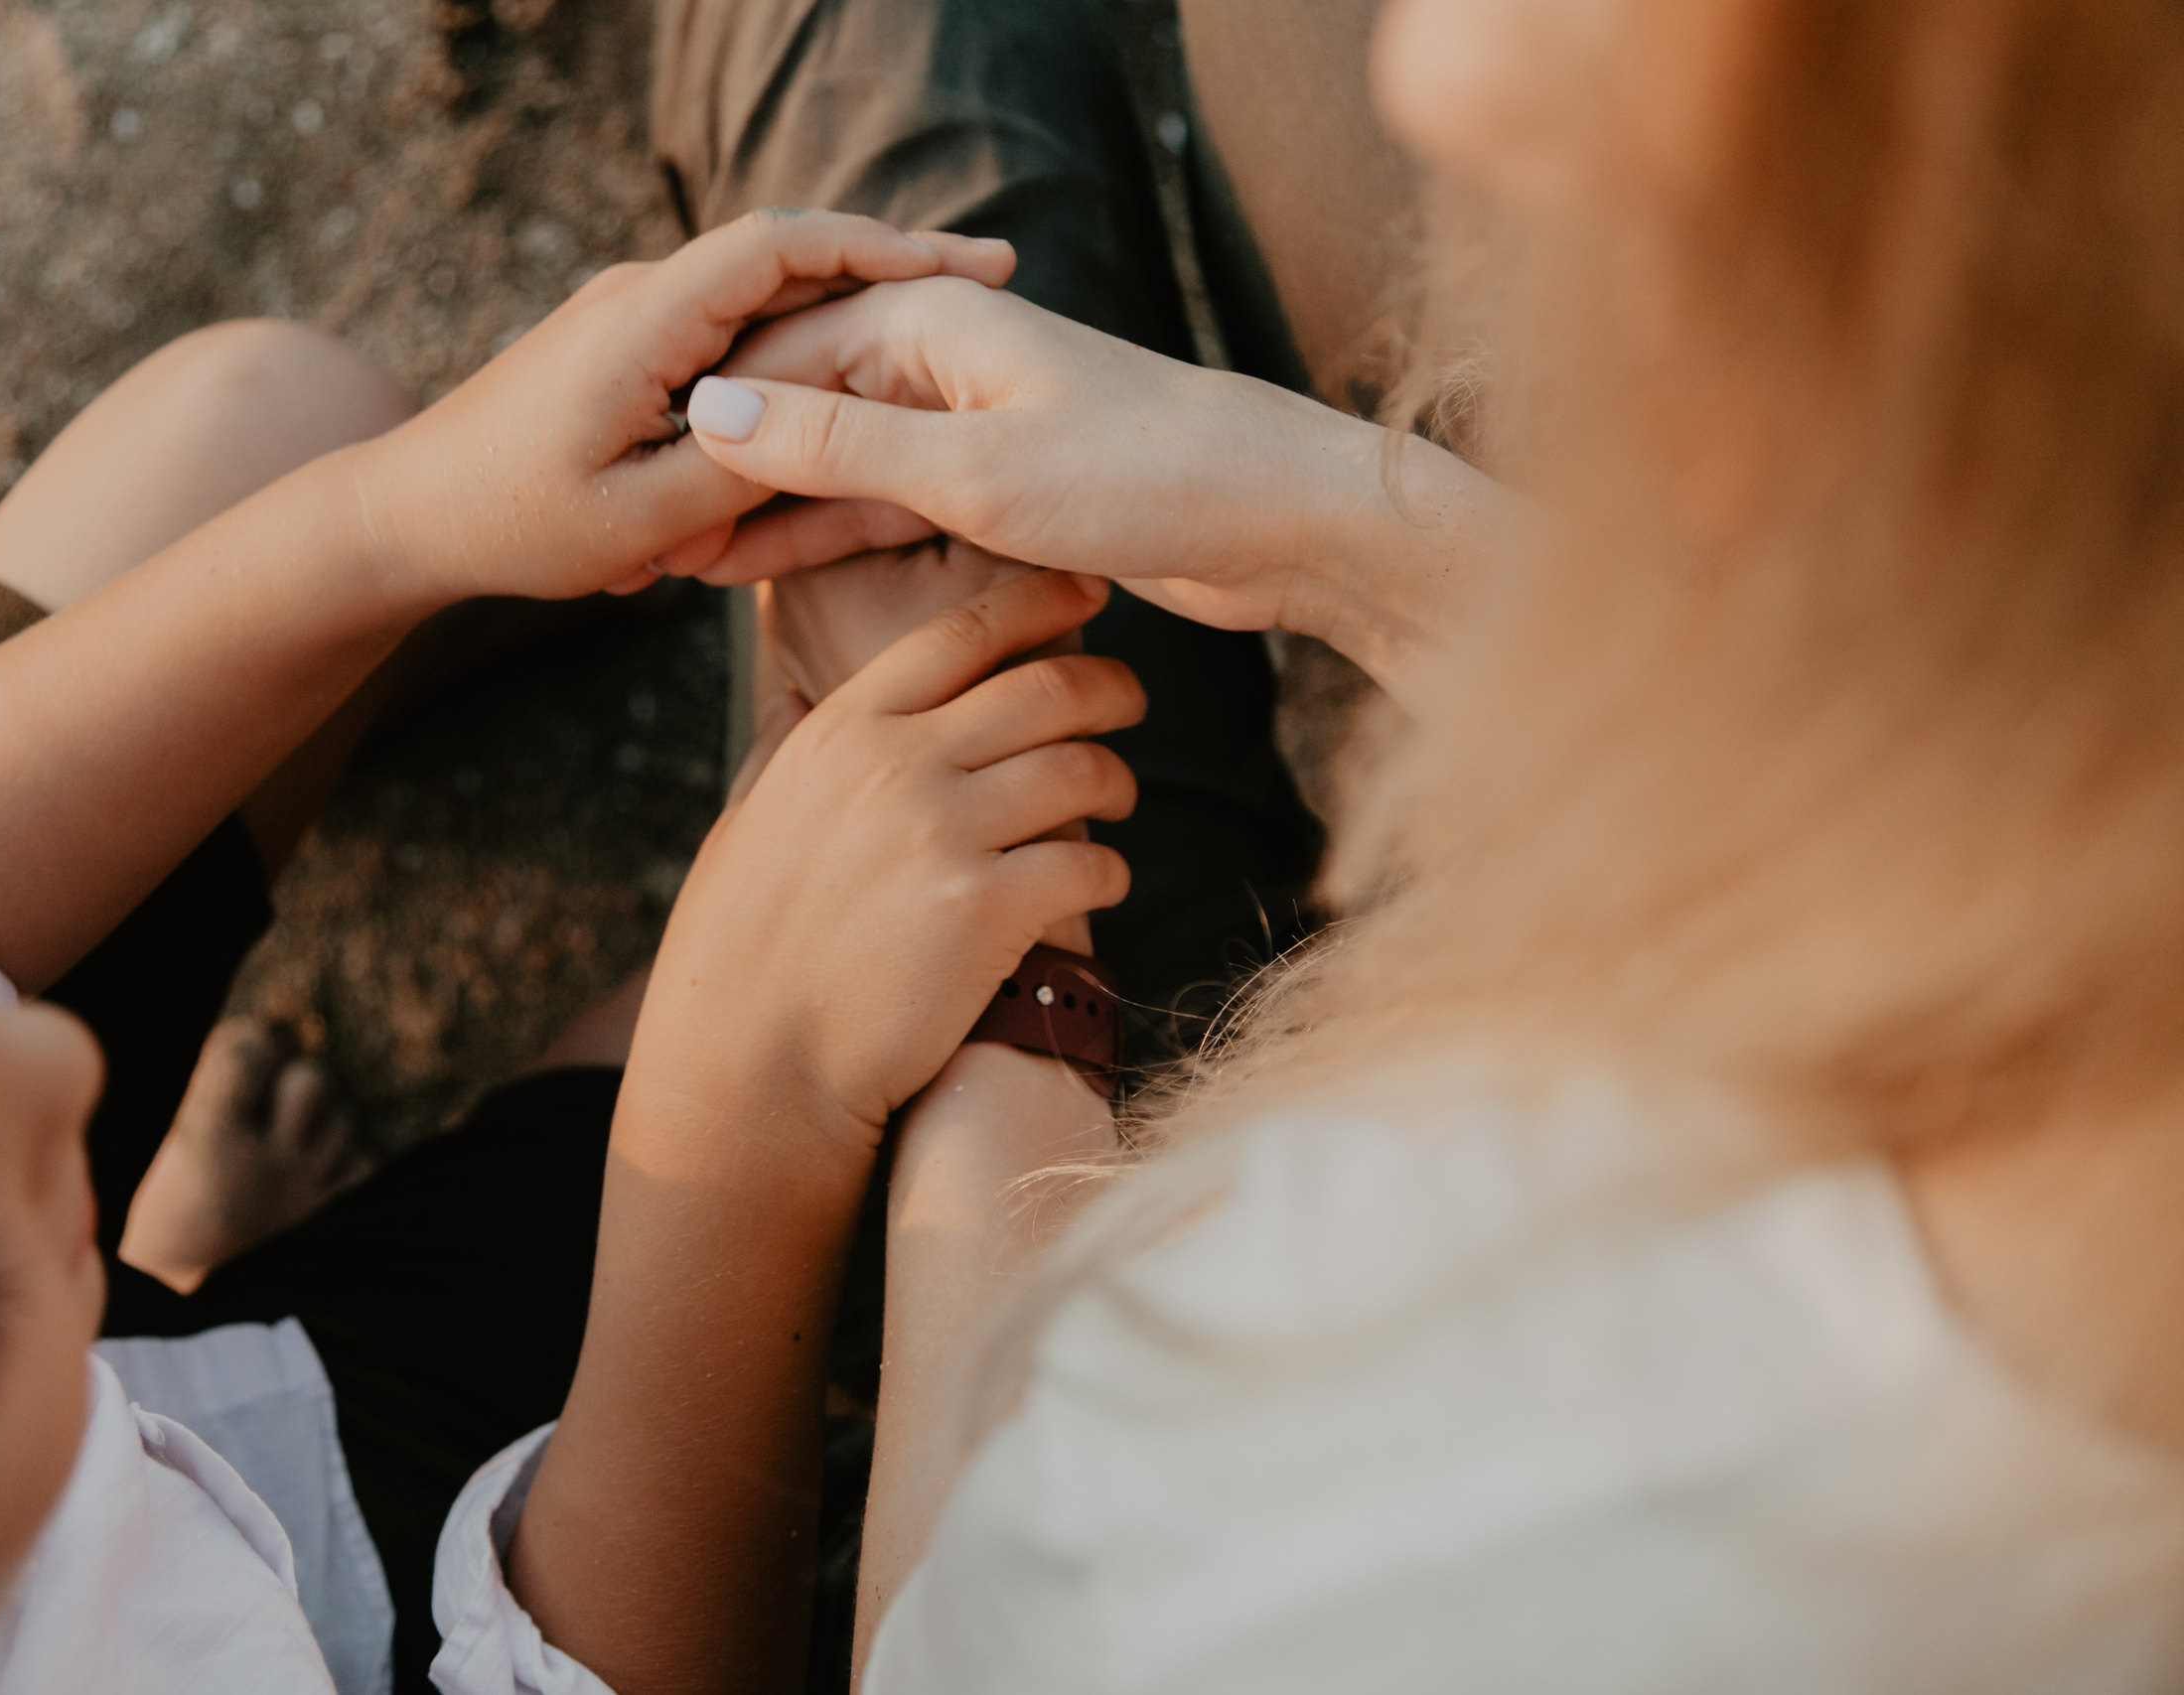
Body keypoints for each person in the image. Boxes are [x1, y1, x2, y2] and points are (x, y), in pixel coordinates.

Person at [489, 0, 2184, 1692]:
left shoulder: (1305, 1544)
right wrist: (1338, 536)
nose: (1442, 59)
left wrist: (1006, 992)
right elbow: (1924, 849)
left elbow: (941, 1613)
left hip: (1035, 1203)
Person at [0, 211, 1152, 1695]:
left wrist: (405, 517)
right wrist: (750, 1106)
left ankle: (126, 1269)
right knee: (876, 1068)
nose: (42, 1060)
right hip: (352, 1618)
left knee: (264, 423)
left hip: (79, 1415)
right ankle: (198, 1245)